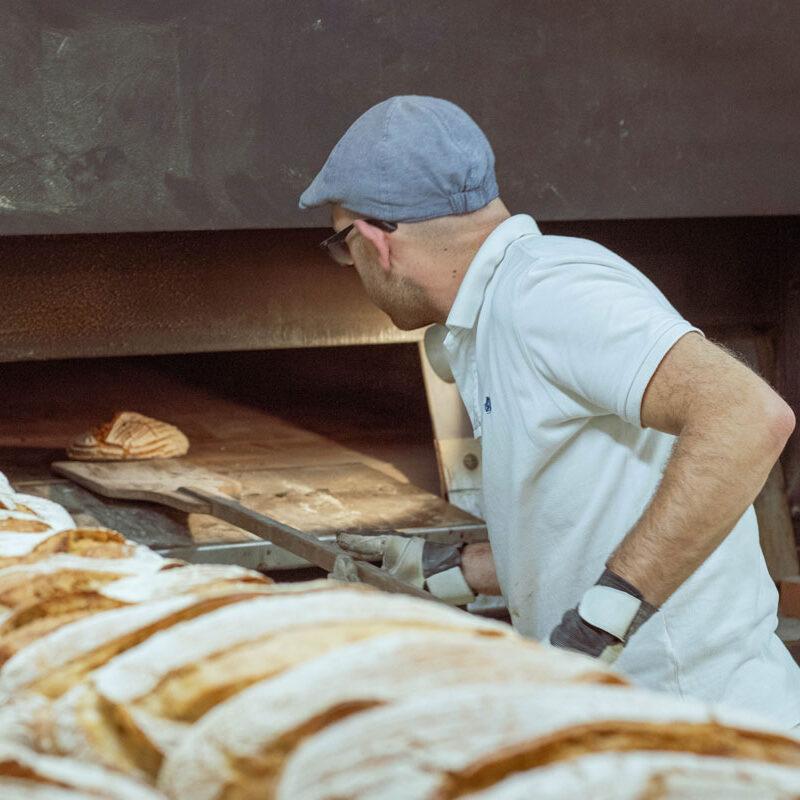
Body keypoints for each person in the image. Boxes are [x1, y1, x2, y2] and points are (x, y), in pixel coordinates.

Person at [298, 95, 800, 726]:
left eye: (343, 245)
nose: (352, 266)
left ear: (376, 241)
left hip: (699, 733)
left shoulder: (547, 294)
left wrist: (601, 622)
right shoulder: (496, 312)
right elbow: (589, 510)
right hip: (628, 723)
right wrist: (453, 572)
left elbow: (749, 415)